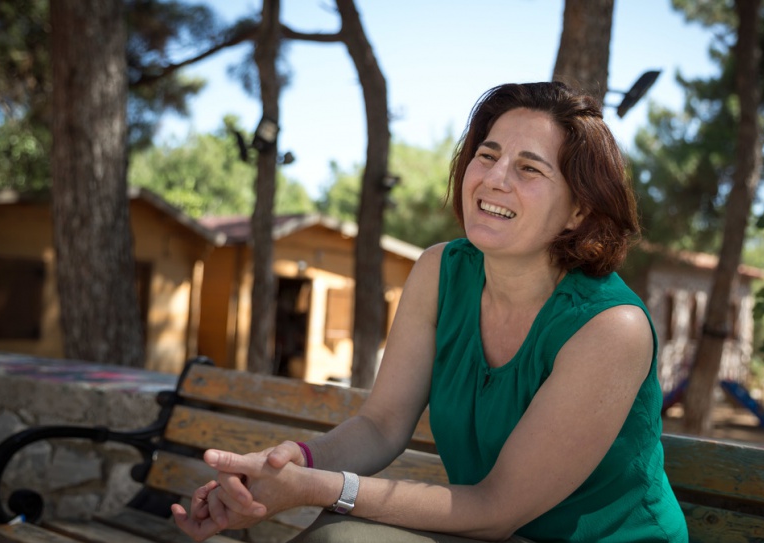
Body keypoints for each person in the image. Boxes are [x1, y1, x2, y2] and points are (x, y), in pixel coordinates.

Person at [172, 81, 688, 542]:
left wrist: (313, 488)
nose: (494, 178)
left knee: (341, 539)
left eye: (528, 168)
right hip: (493, 533)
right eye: (486, 156)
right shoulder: (440, 272)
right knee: (336, 534)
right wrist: (281, 468)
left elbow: (496, 509)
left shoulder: (609, 327)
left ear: (580, 210)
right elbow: (381, 425)